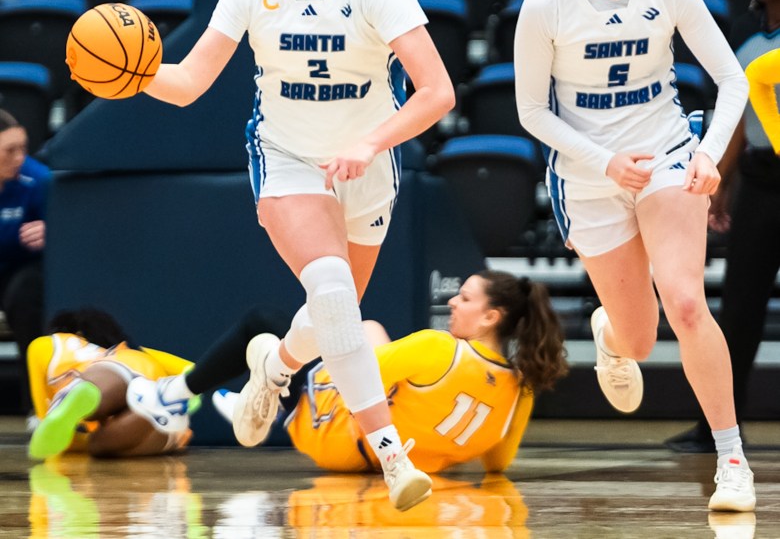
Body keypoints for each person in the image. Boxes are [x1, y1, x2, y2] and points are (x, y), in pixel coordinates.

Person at [121, 0, 455, 511]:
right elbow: (189, 82)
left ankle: (271, 370)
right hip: (287, 158)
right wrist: (132, 74)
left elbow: (439, 92)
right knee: (333, 292)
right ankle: (392, 454)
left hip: (366, 165)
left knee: (333, 314)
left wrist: (369, 142)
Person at [513, 0, 755, 512]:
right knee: (641, 340)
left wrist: (707, 156)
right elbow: (532, 111)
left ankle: (732, 458)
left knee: (686, 302)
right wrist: (604, 161)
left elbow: (732, 80)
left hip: (668, 152)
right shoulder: (546, 2)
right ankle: (616, 336)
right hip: (589, 175)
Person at [127, 270, 568, 474]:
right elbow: (498, 463)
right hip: (398, 468)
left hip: (335, 437)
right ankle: (257, 393)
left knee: (269, 321)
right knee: (367, 333)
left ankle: (186, 394)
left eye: (466, 298)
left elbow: (349, 378)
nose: (453, 301)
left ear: (492, 317)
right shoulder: (520, 388)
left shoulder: (439, 347)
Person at [666, 0, 780, 454]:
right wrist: (721, 183)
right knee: (739, 308)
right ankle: (715, 429)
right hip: (758, 179)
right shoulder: (742, 30)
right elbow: (736, 119)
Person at [26, 308, 197, 460]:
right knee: (100, 446)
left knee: (94, 440)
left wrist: (52, 423)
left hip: (99, 375)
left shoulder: (46, 343)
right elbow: (191, 369)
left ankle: (78, 394)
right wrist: (190, 394)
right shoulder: (128, 350)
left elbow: (44, 418)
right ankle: (165, 402)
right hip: (136, 371)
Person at [0, 109, 49, 413]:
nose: (20, 157)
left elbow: (76, 229)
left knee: (25, 297)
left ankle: (37, 407)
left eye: (23, 148)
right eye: (9, 151)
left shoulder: (39, 179)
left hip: (24, 267)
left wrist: (52, 230)